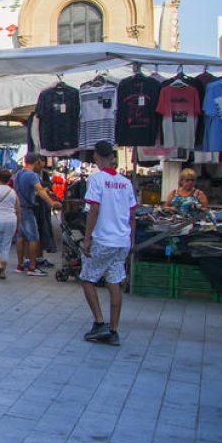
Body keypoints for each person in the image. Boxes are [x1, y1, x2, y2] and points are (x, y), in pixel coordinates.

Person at [80, 141, 136, 347]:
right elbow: (132, 214)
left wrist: (87, 239)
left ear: (96, 157)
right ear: (112, 157)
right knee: (114, 282)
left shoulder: (97, 180)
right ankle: (113, 330)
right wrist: (130, 239)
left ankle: (99, 322)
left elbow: (93, 209)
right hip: (122, 240)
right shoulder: (126, 182)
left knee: (87, 279)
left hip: (104, 239)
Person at [13, 154, 62, 276]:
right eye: (41, 163)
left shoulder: (18, 174)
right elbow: (40, 191)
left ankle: (20, 265)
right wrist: (52, 203)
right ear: (37, 162)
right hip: (27, 210)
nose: (42, 165)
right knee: (33, 238)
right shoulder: (32, 175)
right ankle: (33, 267)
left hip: (18, 209)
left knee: (20, 237)